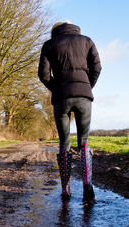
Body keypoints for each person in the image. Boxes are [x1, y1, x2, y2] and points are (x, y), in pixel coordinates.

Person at [38, 21, 101, 201]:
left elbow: (43, 74)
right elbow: (97, 67)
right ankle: (87, 183)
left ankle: (65, 189)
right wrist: (87, 86)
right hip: (84, 97)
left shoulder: (49, 45)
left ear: (54, 31)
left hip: (61, 98)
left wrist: (56, 88)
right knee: (84, 142)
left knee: (64, 143)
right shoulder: (87, 41)